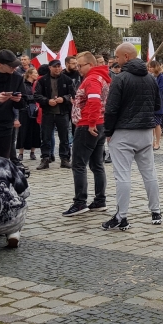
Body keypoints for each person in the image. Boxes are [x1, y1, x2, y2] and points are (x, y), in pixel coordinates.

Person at [102, 42, 162, 230]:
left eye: (117, 57)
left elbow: (111, 109)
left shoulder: (120, 79)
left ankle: (122, 216)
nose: (116, 60)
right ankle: (156, 211)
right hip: (145, 132)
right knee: (149, 173)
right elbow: (157, 106)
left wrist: (108, 132)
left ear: (126, 57)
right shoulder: (151, 78)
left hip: (123, 132)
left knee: (122, 176)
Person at [63, 52, 112, 217]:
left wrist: (90, 123)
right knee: (97, 164)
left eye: (80, 65)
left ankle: (80, 202)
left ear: (90, 65)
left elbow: (94, 100)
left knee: (78, 164)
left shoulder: (92, 79)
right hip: (100, 123)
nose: (78, 69)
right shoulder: (101, 77)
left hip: (88, 126)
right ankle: (99, 200)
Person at [34, 60, 75, 170]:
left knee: (64, 137)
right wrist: (47, 101)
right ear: (50, 68)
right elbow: (37, 95)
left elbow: (73, 94)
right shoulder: (42, 80)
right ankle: (45, 158)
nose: (57, 69)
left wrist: (64, 99)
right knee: (45, 137)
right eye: (55, 67)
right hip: (48, 112)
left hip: (63, 112)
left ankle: (65, 159)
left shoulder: (67, 79)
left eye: (59, 66)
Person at [16, 68, 41, 161]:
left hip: (35, 109)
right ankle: (21, 153)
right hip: (24, 110)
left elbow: (39, 95)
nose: (37, 74)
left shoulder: (37, 84)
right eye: (35, 73)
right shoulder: (23, 84)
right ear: (30, 74)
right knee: (23, 131)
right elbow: (23, 96)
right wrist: (33, 97)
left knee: (35, 131)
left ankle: (32, 152)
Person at [147, 60, 163, 150]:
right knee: (150, 124)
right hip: (149, 103)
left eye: (152, 67)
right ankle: (152, 142)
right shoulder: (148, 76)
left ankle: (157, 142)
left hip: (157, 103)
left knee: (156, 123)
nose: (150, 69)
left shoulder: (161, 77)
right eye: (149, 67)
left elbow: (160, 90)